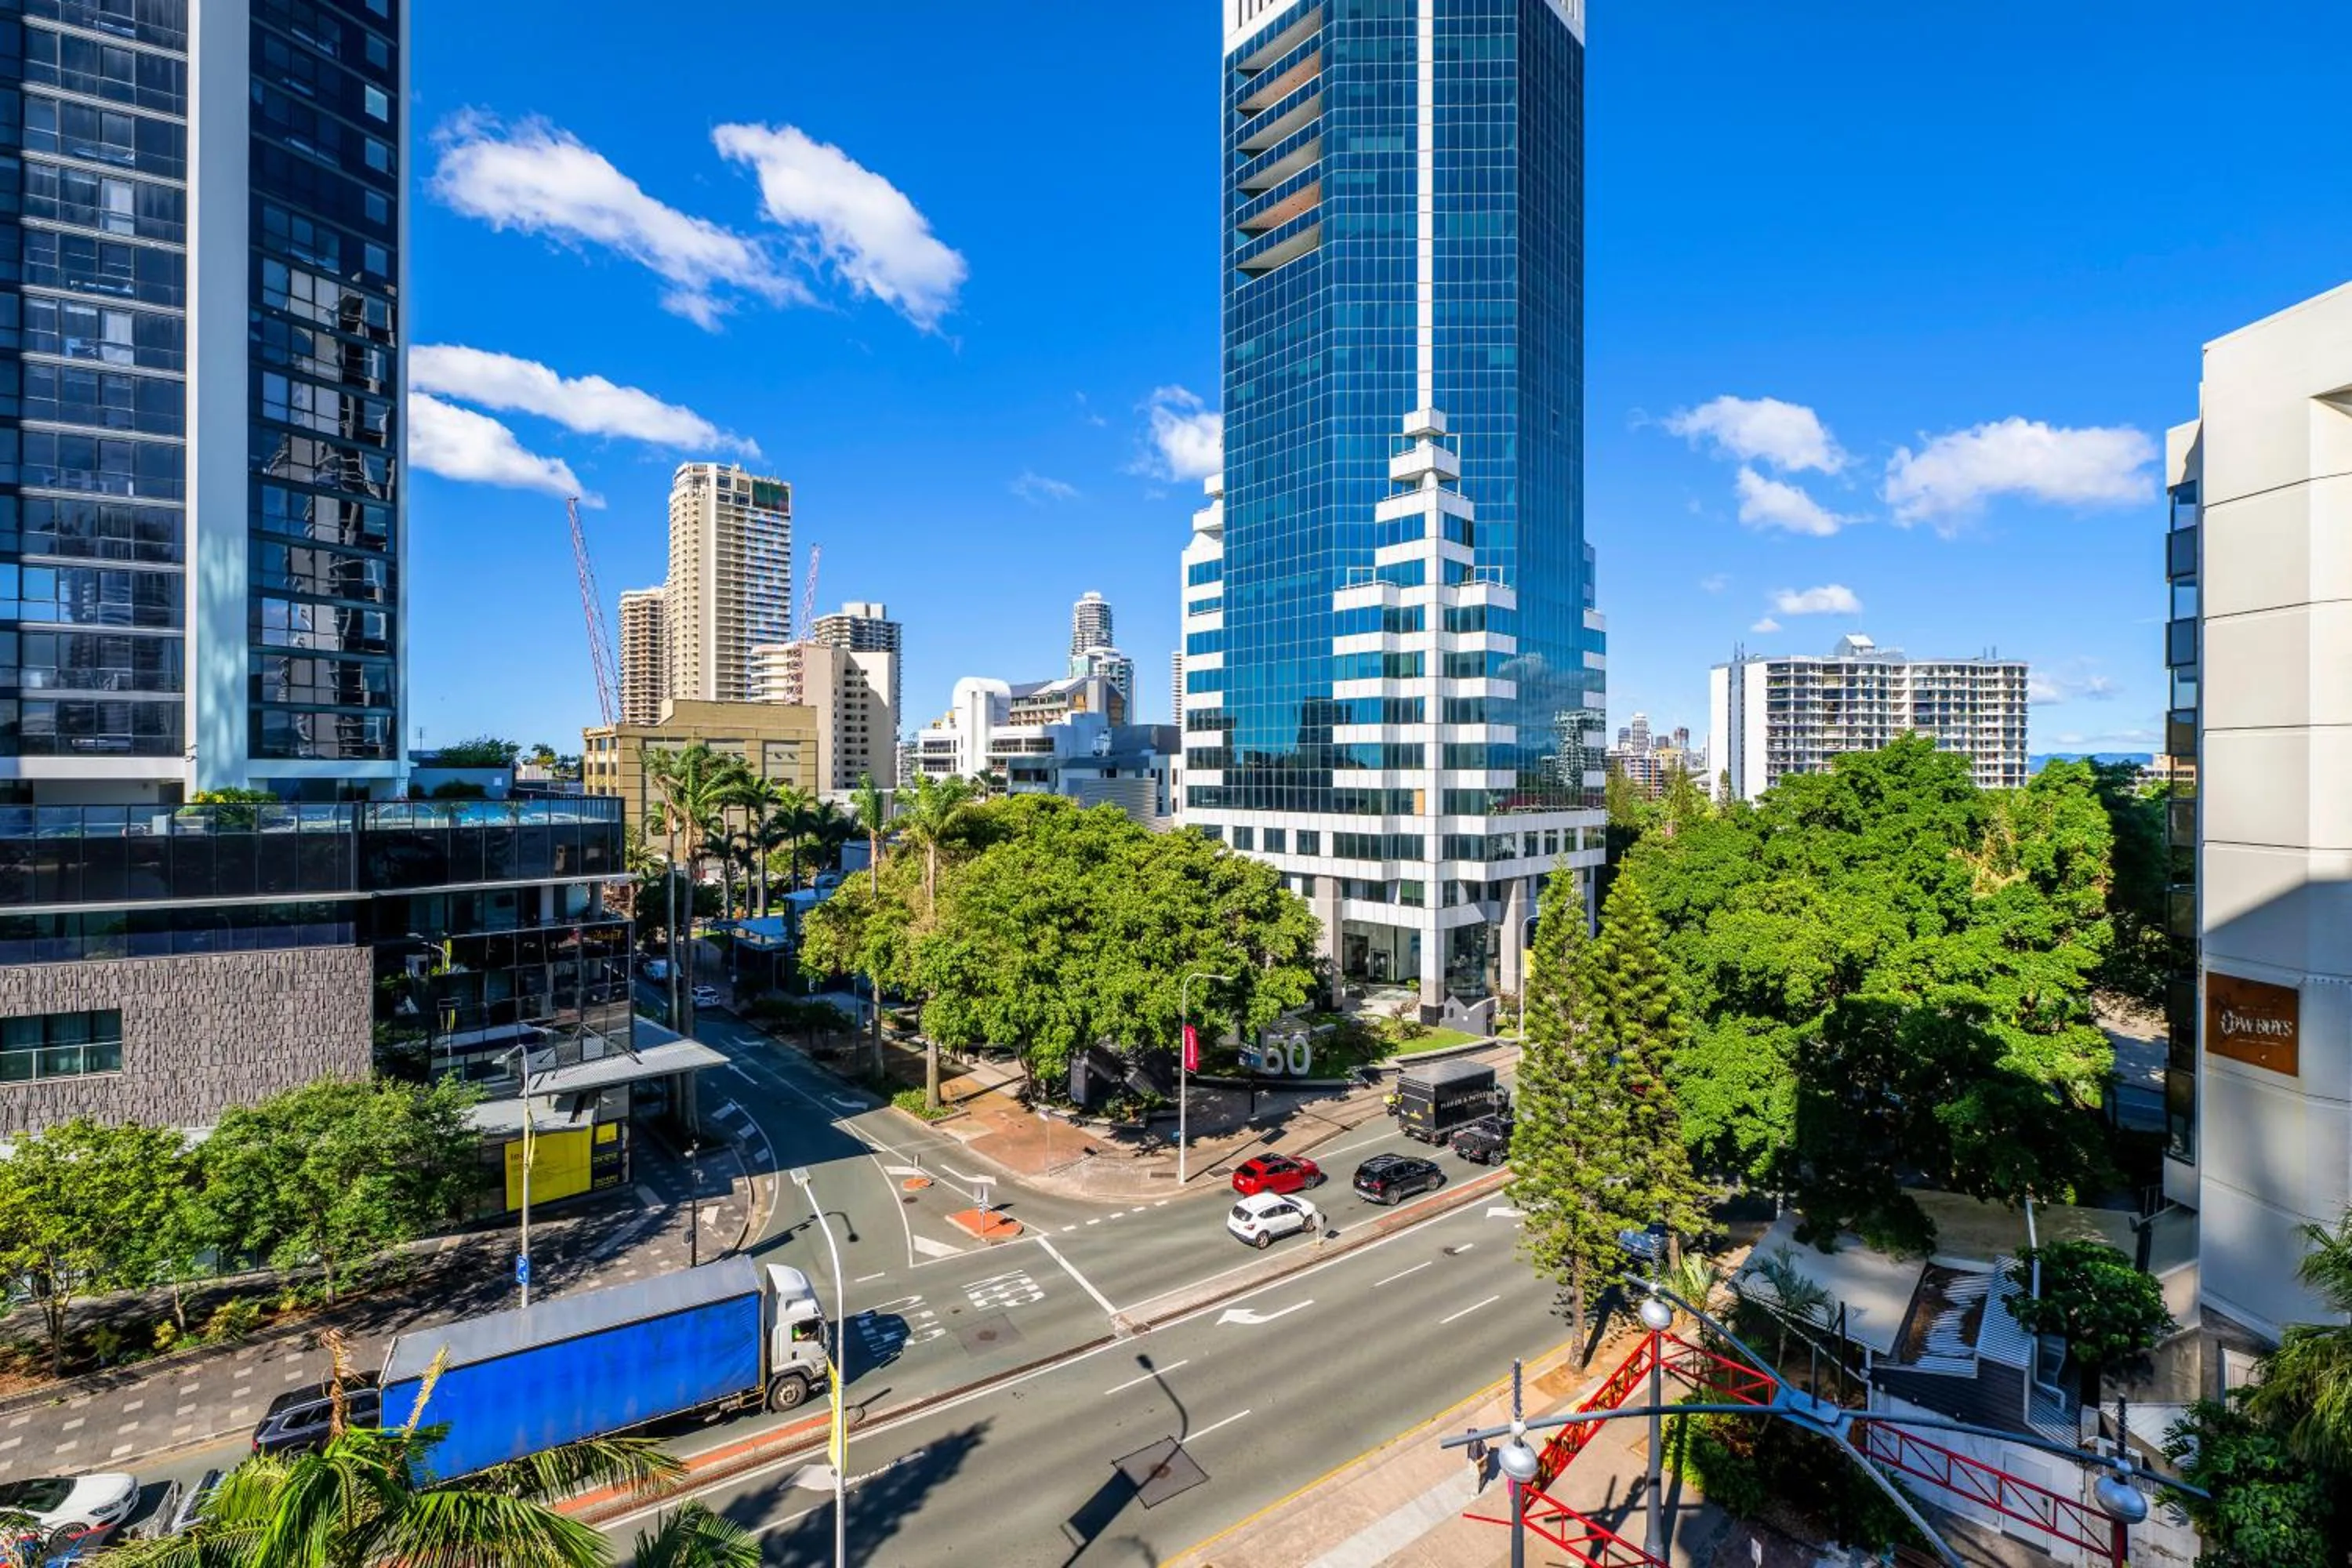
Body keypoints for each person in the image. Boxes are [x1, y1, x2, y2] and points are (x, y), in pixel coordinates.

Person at [1466, 1430, 1490, 1494]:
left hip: (1479, 1462)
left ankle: (1477, 1490)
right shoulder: (1469, 1441)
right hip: (1472, 1460)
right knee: (1473, 1474)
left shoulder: (1480, 1443)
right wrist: (1469, 1457)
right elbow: (1469, 1449)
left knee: (1479, 1477)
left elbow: (1486, 1454)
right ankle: (1479, 1478)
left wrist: (1480, 1461)